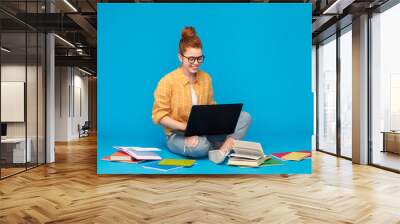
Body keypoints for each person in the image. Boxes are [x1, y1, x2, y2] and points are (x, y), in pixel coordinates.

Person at [152, 26, 252, 164]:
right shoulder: (167, 81)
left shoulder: (206, 78)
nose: (196, 63)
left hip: (205, 130)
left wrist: (222, 118)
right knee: (201, 147)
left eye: (199, 59)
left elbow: (210, 106)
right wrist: (186, 128)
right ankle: (218, 146)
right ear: (180, 57)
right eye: (191, 59)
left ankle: (223, 149)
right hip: (177, 134)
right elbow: (159, 116)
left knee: (245, 117)